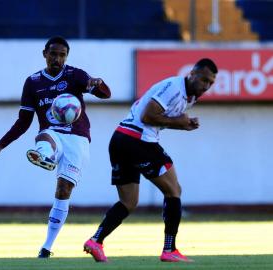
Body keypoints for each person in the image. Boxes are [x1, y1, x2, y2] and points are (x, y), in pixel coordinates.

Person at [0, 36, 111, 258]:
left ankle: (47, 247)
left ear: (66, 57)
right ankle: (44, 156)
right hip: (53, 133)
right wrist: (1, 144)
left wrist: (98, 83)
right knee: (44, 135)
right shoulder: (33, 82)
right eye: (53, 54)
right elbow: (24, 121)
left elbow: (106, 95)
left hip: (77, 138)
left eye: (62, 55)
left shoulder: (75, 75)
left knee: (63, 191)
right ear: (44, 54)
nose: (57, 58)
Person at [83, 58, 218, 263]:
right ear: (192, 74)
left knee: (128, 202)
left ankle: (95, 241)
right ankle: (169, 249)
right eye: (204, 80)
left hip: (121, 139)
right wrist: (179, 122)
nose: (206, 86)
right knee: (174, 190)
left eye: (211, 83)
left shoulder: (190, 96)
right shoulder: (174, 87)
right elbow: (147, 116)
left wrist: (184, 124)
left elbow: (159, 118)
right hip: (137, 140)